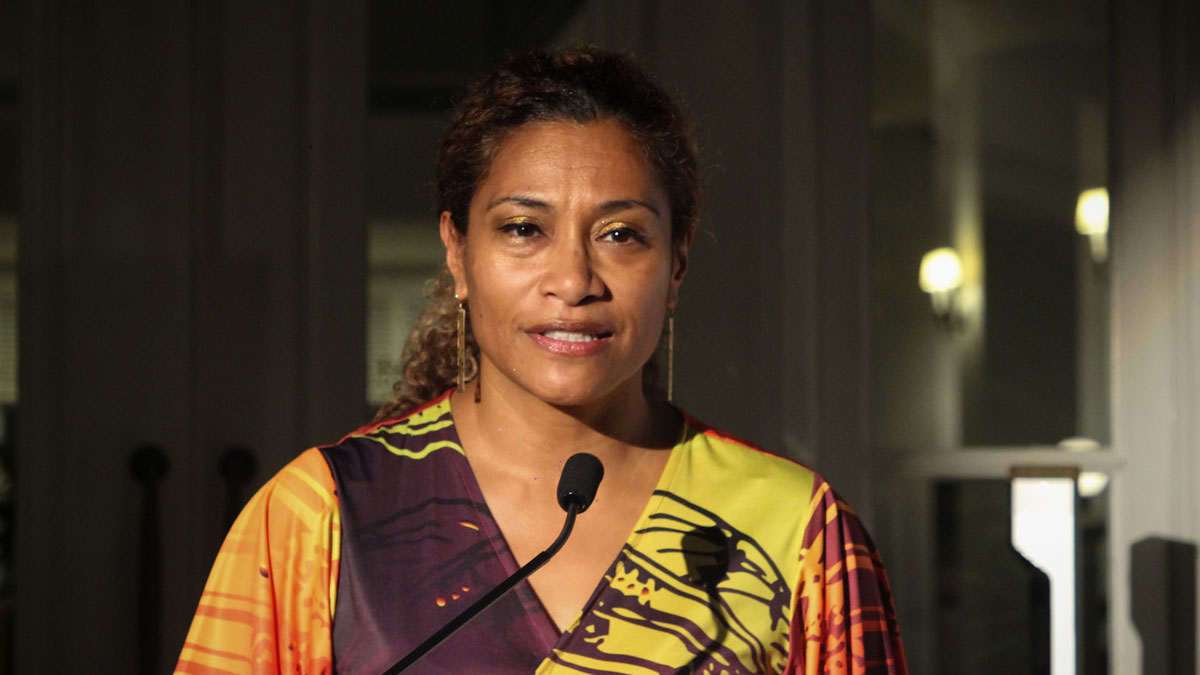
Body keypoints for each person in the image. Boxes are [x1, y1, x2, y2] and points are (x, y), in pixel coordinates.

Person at [176, 46, 907, 675]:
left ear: (677, 263)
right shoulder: (321, 517)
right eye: (524, 228)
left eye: (621, 234)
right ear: (457, 252)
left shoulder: (800, 535)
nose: (574, 280)